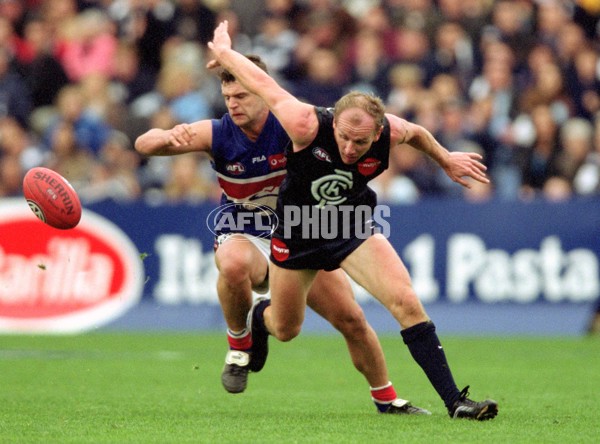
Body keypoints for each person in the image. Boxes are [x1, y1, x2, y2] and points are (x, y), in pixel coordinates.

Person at [208, 20, 499, 420]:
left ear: (378, 131)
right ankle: (260, 316)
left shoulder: (390, 131)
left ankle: (456, 402)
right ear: (334, 123)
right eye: (343, 137)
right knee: (287, 328)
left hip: (351, 225)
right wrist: (224, 51)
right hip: (297, 232)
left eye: (360, 142)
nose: (349, 148)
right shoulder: (305, 123)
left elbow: (415, 132)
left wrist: (446, 158)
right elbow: (262, 83)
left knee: (406, 302)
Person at [135, 55, 430, 415]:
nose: (233, 104)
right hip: (245, 229)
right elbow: (145, 145)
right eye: (228, 96)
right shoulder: (217, 133)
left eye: (242, 95)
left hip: (302, 232)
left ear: (262, 89)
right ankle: (239, 344)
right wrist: (166, 135)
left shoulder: (296, 121)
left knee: (347, 320)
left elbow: (359, 122)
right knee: (232, 262)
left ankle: (387, 398)